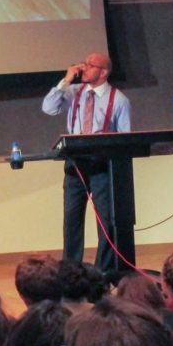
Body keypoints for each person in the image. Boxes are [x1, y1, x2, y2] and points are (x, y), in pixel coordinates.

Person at [42, 52, 131, 273]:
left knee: (106, 221)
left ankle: (104, 271)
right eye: (84, 63)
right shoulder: (74, 92)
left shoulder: (119, 100)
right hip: (75, 165)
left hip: (102, 165)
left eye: (90, 65)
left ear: (103, 72)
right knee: (72, 219)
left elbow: (126, 138)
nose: (84, 67)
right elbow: (49, 108)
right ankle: (71, 271)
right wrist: (66, 80)